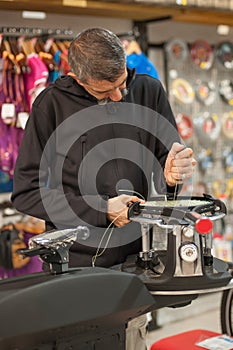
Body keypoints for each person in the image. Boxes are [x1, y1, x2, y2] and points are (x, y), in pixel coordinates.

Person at [11, 27, 196, 350]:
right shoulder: (51, 105)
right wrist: (100, 208)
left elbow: (169, 167)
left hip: (136, 266)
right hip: (73, 270)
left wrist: (174, 172)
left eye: (122, 83)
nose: (119, 96)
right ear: (78, 77)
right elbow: (26, 191)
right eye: (106, 90)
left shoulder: (148, 91)